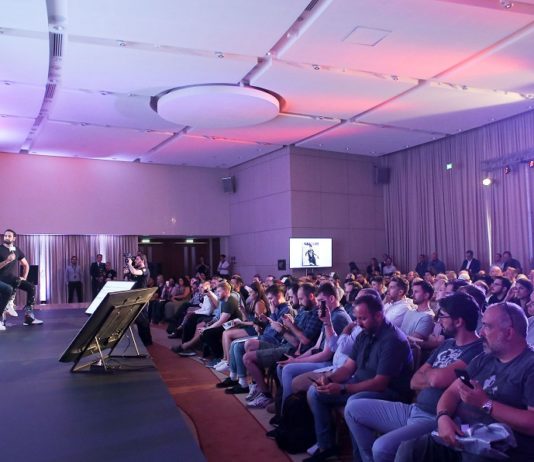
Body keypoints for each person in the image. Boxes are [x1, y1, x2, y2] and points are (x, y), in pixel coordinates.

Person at [344, 292, 483, 462]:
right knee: (353, 409)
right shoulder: (447, 344)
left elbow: (437, 379)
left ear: (459, 321)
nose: (438, 320)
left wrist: (431, 376)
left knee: (381, 447)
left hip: (436, 418)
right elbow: (414, 381)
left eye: (443, 316)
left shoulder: (477, 351)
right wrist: (434, 377)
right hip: (414, 409)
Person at [397, 302, 534, 462]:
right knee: (410, 449)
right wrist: (443, 417)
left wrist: (486, 404)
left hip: (498, 450)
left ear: (509, 333)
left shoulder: (529, 366)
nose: (481, 332)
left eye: (487, 327)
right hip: (463, 436)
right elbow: (452, 392)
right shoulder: (485, 358)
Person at [304, 294, 413, 462]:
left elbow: (380, 383)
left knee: (354, 403)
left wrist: (342, 388)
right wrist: (329, 379)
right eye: (357, 318)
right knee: (315, 392)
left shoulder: (393, 340)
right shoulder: (365, 333)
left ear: (378, 315)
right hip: (362, 383)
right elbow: (348, 367)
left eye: (363, 318)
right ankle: (327, 446)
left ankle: (362, 458)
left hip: (389, 393)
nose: (358, 323)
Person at [0, 229, 43, 326]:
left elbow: (26, 265)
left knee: (31, 287)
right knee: (16, 280)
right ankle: (9, 304)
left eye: (9, 236)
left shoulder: (16, 250)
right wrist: (7, 261)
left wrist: (24, 277)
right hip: (2, 279)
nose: (6, 237)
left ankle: (29, 318)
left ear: (14, 238)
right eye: (5, 235)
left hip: (13, 279)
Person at [124, 254, 152, 346]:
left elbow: (134, 272)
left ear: (142, 261)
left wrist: (130, 265)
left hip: (142, 297)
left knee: (143, 320)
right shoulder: (136, 270)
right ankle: (143, 340)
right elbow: (130, 277)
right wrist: (127, 271)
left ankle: (147, 341)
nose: (135, 260)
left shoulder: (145, 270)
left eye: (137, 259)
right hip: (135, 297)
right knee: (139, 320)